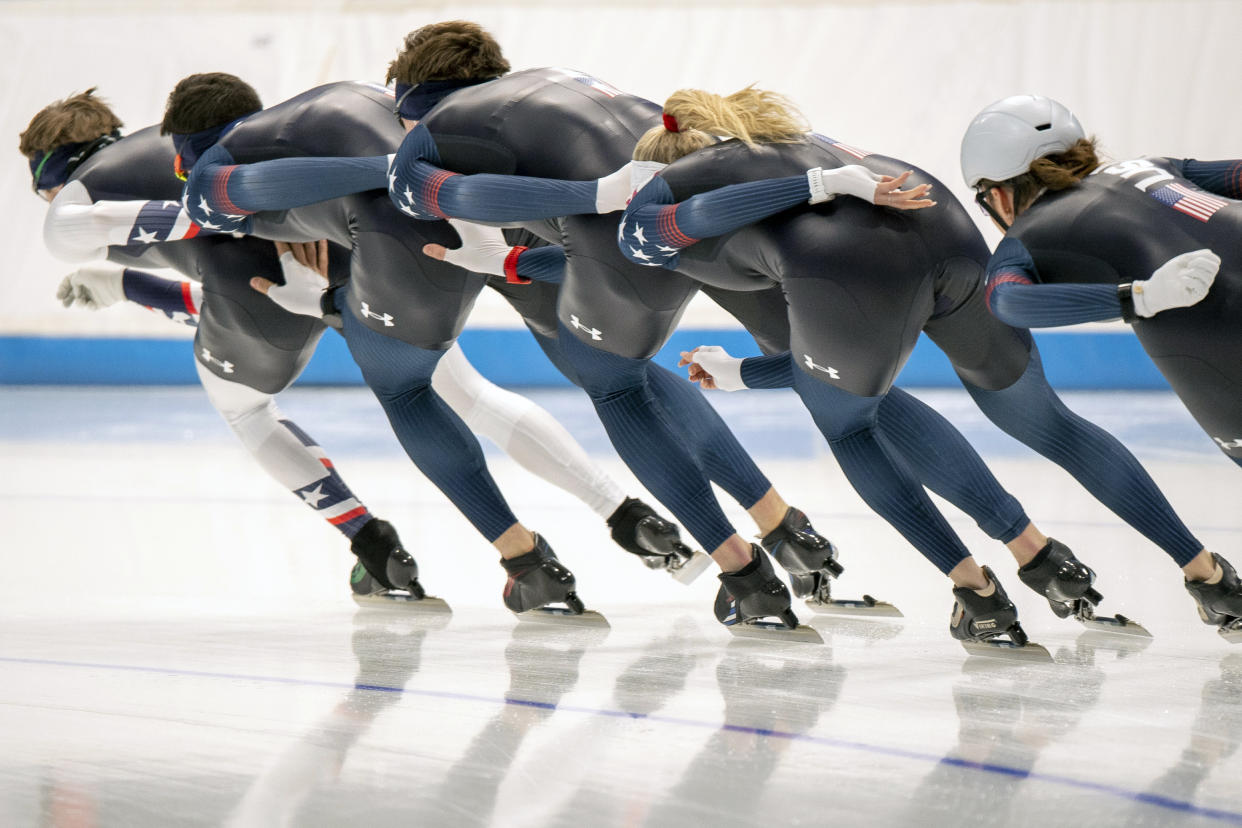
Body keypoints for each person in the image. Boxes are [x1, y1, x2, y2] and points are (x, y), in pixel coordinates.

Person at [414, 84, 1231, 648]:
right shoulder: (787, 138)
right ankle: (1194, 571)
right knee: (1042, 420)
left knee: (851, 424)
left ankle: (978, 594)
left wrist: (813, 190)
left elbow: (671, 231)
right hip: (935, 216)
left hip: (848, 267)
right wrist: (741, 368)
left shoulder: (664, 192)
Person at [22, 86, 692, 614]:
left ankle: (375, 544)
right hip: (356, 254)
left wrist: (129, 279)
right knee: (466, 392)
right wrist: (130, 280)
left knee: (248, 412)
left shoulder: (72, 206)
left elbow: (214, 257)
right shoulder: (184, 142)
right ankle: (622, 512)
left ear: (53, 173)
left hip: (258, 289)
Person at [374, 21, 857, 633]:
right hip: (693, 201)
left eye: (404, 119)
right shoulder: (543, 88)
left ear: (421, 102)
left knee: (615, 385)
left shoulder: (445, 127)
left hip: (601, 230)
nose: (405, 133)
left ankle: (743, 576)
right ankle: (787, 528)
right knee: (630, 369)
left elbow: (410, 187)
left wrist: (587, 201)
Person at [959, 94, 1242, 639]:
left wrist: (1132, 297)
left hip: (1216, 344)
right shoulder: (1153, 165)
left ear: (996, 192)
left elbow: (1006, 303)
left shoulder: (1026, 237)